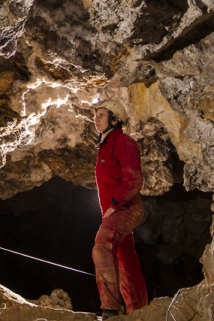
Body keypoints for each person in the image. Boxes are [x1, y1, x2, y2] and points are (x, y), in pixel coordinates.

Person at [92, 100, 148, 320]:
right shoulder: (105, 145)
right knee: (125, 260)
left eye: (102, 115)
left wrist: (115, 204)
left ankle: (110, 308)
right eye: (96, 115)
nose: (96, 119)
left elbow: (134, 178)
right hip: (113, 210)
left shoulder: (123, 142)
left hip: (127, 208)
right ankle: (139, 311)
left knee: (102, 245)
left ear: (115, 120)